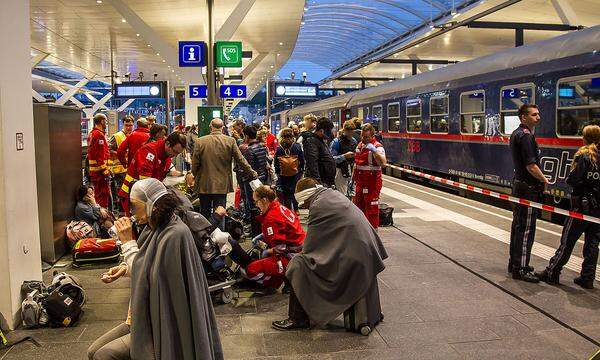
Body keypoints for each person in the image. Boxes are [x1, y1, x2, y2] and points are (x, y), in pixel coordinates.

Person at [90, 178, 224, 359]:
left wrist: (128, 244)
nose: (131, 211)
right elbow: (148, 264)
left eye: (135, 205)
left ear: (152, 206)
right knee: (92, 352)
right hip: (141, 316)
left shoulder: (175, 234)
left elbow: (152, 279)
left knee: (103, 356)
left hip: (161, 322)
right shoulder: (152, 228)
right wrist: (125, 268)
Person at [272, 177, 388, 330]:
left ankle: (297, 319)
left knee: (297, 265)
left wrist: (295, 252)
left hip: (355, 256)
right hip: (367, 251)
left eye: (303, 204)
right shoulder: (330, 194)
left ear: (307, 197)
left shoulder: (318, 205)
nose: (304, 207)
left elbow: (309, 248)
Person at [536, 125, 600, 289]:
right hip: (598, 208)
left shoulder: (584, 155)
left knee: (568, 241)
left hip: (581, 206)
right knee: (592, 243)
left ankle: (552, 272)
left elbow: (572, 179)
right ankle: (587, 278)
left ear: (586, 138)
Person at [228, 185, 305, 289]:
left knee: (251, 270)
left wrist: (267, 252)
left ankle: (271, 284)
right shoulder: (280, 207)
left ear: (264, 200)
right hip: (299, 250)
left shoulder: (271, 217)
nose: (256, 204)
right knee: (259, 253)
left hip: (292, 256)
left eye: (256, 201)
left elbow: (280, 249)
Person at [508, 104, 548, 283]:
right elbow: (531, 166)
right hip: (527, 189)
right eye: (534, 115)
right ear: (523, 117)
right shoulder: (526, 137)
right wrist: (544, 180)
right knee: (526, 230)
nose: (538, 118)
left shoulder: (516, 133)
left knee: (517, 226)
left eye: (538, 114)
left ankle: (514, 263)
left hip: (518, 185)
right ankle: (522, 268)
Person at [192, 118, 257, 219]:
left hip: (204, 184)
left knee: (204, 212)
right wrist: (251, 171)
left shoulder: (200, 141)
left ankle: (205, 234)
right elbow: (240, 159)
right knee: (220, 212)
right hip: (222, 184)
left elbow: (195, 163)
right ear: (222, 128)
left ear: (210, 127)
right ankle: (220, 233)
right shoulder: (230, 141)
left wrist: (194, 175)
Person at [118, 132, 186, 215]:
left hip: (146, 195)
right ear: (168, 144)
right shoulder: (149, 151)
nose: (175, 155)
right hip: (132, 194)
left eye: (178, 153)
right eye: (174, 151)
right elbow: (146, 182)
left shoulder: (166, 155)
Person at [353, 123, 387, 228]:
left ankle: (373, 233)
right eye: (362, 136)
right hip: (360, 182)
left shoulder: (378, 147)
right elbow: (356, 164)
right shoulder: (360, 145)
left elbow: (383, 163)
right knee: (358, 208)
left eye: (366, 137)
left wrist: (374, 151)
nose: (363, 139)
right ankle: (362, 232)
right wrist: (353, 180)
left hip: (372, 184)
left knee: (371, 209)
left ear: (373, 136)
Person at [239, 126, 269, 232]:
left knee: (253, 205)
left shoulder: (249, 150)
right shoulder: (262, 146)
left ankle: (255, 229)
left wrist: (242, 176)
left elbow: (249, 168)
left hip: (251, 181)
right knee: (262, 204)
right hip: (262, 178)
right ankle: (262, 226)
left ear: (246, 136)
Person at [274, 128, 305, 211]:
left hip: (283, 175)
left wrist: (278, 173)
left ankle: (288, 211)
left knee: (286, 194)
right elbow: (302, 160)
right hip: (295, 174)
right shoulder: (297, 146)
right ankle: (296, 210)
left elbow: (276, 163)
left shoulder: (279, 148)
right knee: (294, 192)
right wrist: (301, 171)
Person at [109, 116, 134, 214]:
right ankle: (121, 212)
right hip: (119, 170)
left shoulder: (133, 135)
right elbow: (108, 150)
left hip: (130, 169)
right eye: (126, 125)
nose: (129, 127)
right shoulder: (117, 136)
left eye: (130, 125)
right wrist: (120, 153)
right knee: (121, 192)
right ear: (123, 124)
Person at [303, 117, 336, 187]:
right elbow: (312, 164)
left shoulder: (319, 140)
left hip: (325, 181)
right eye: (329, 131)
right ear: (321, 131)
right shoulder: (311, 142)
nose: (330, 134)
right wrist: (318, 183)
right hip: (320, 183)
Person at [87, 113, 111, 208]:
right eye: (105, 121)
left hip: (95, 172)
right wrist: (106, 172)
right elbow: (100, 157)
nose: (106, 124)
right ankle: (103, 217)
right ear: (102, 121)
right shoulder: (99, 135)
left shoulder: (92, 134)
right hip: (100, 173)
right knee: (102, 196)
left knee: (98, 195)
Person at [330, 120, 357, 197]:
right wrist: (344, 156)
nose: (350, 134)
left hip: (351, 170)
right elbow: (331, 159)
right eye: (348, 131)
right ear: (344, 130)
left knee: (351, 194)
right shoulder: (336, 142)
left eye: (352, 131)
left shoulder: (354, 141)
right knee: (341, 195)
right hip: (340, 171)